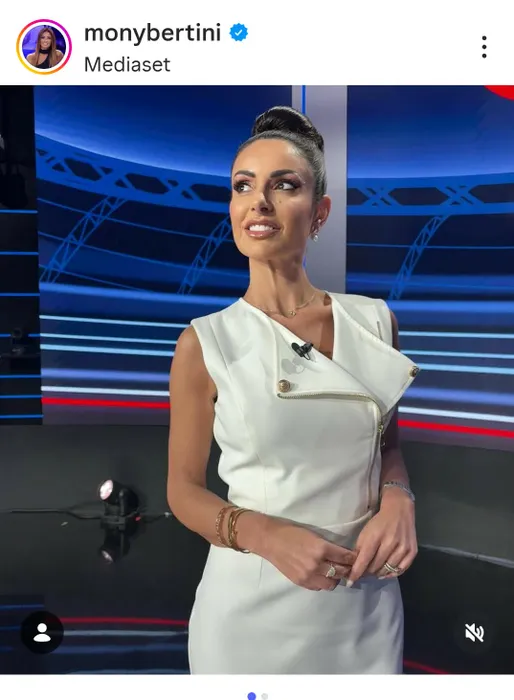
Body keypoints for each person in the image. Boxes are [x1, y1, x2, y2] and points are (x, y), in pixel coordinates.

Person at [167, 105, 420, 674]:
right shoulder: (205, 342)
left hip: (365, 601)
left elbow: (386, 447)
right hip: (251, 607)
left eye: (284, 185)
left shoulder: (374, 321)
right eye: (243, 186)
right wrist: (265, 535)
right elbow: (183, 491)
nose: (259, 201)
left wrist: (400, 498)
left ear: (320, 212)